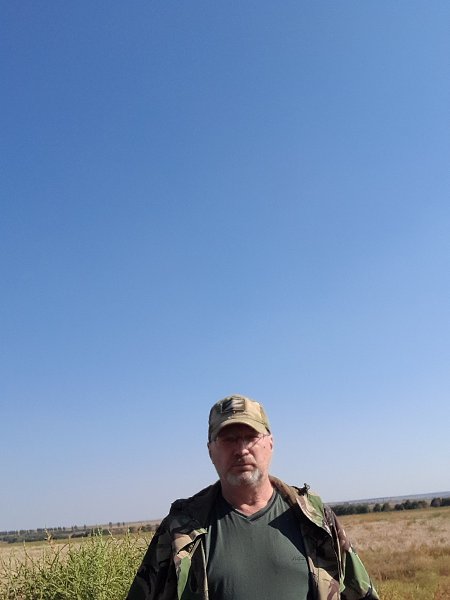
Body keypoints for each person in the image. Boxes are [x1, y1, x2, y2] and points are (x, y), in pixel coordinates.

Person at [127, 394, 379, 600]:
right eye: (228, 439)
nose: (241, 449)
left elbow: (361, 594)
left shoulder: (316, 518)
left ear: (270, 443)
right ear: (210, 451)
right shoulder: (181, 529)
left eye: (251, 437)